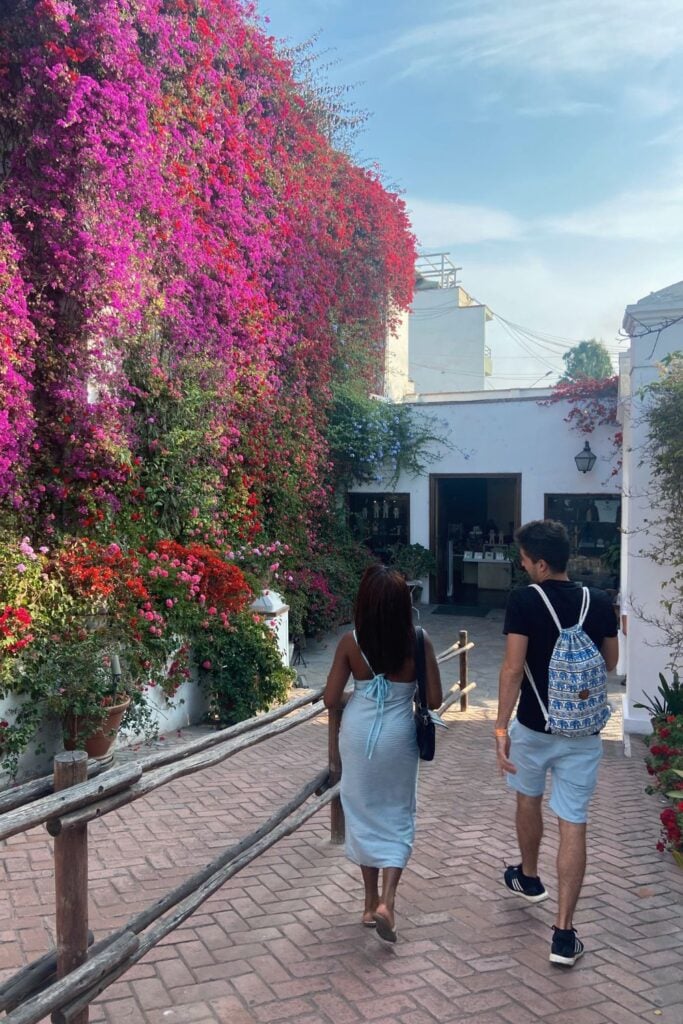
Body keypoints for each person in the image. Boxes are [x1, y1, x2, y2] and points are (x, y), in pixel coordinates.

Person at [494, 520, 618, 967]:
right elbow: (610, 662)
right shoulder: (598, 601)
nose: (523, 566)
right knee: (574, 823)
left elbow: (512, 669)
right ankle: (564, 934)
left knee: (527, 799)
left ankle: (529, 877)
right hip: (582, 733)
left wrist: (500, 728)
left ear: (541, 563)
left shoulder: (525, 601)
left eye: (525, 560)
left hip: (532, 725)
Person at [324, 564, 442, 943]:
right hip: (398, 739)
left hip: (357, 736)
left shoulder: (349, 642)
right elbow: (435, 699)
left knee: (362, 813)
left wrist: (364, 694)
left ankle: (368, 901)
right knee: (396, 814)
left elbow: (329, 699)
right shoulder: (418, 641)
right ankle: (388, 902)